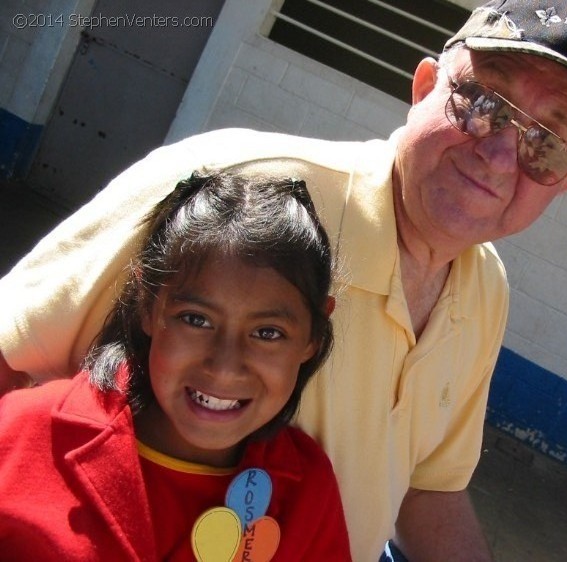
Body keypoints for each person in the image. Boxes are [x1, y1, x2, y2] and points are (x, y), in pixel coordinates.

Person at [0, 1, 567, 560]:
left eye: (545, 145)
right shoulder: (239, 188)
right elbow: (11, 354)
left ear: (566, 179)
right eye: (485, 104)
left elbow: (428, 489)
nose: (496, 156)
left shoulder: (484, 289)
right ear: (426, 86)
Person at [0, 172, 352, 561]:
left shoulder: (306, 493)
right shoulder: (22, 430)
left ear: (313, 336)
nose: (224, 367)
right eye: (196, 320)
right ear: (149, 305)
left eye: (268, 333)